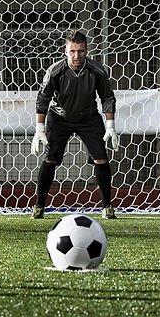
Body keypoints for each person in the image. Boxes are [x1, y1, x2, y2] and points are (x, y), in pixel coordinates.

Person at [31, 30, 119, 219]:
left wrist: (110, 126)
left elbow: (107, 97)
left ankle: (107, 207)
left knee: (101, 159)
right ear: (66, 51)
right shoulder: (55, 71)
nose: (76, 55)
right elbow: (43, 99)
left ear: (86, 51)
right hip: (59, 117)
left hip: (89, 118)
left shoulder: (97, 70)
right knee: (50, 159)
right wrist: (39, 129)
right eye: (72, 51)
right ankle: (39, 206)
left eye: (80, 51)